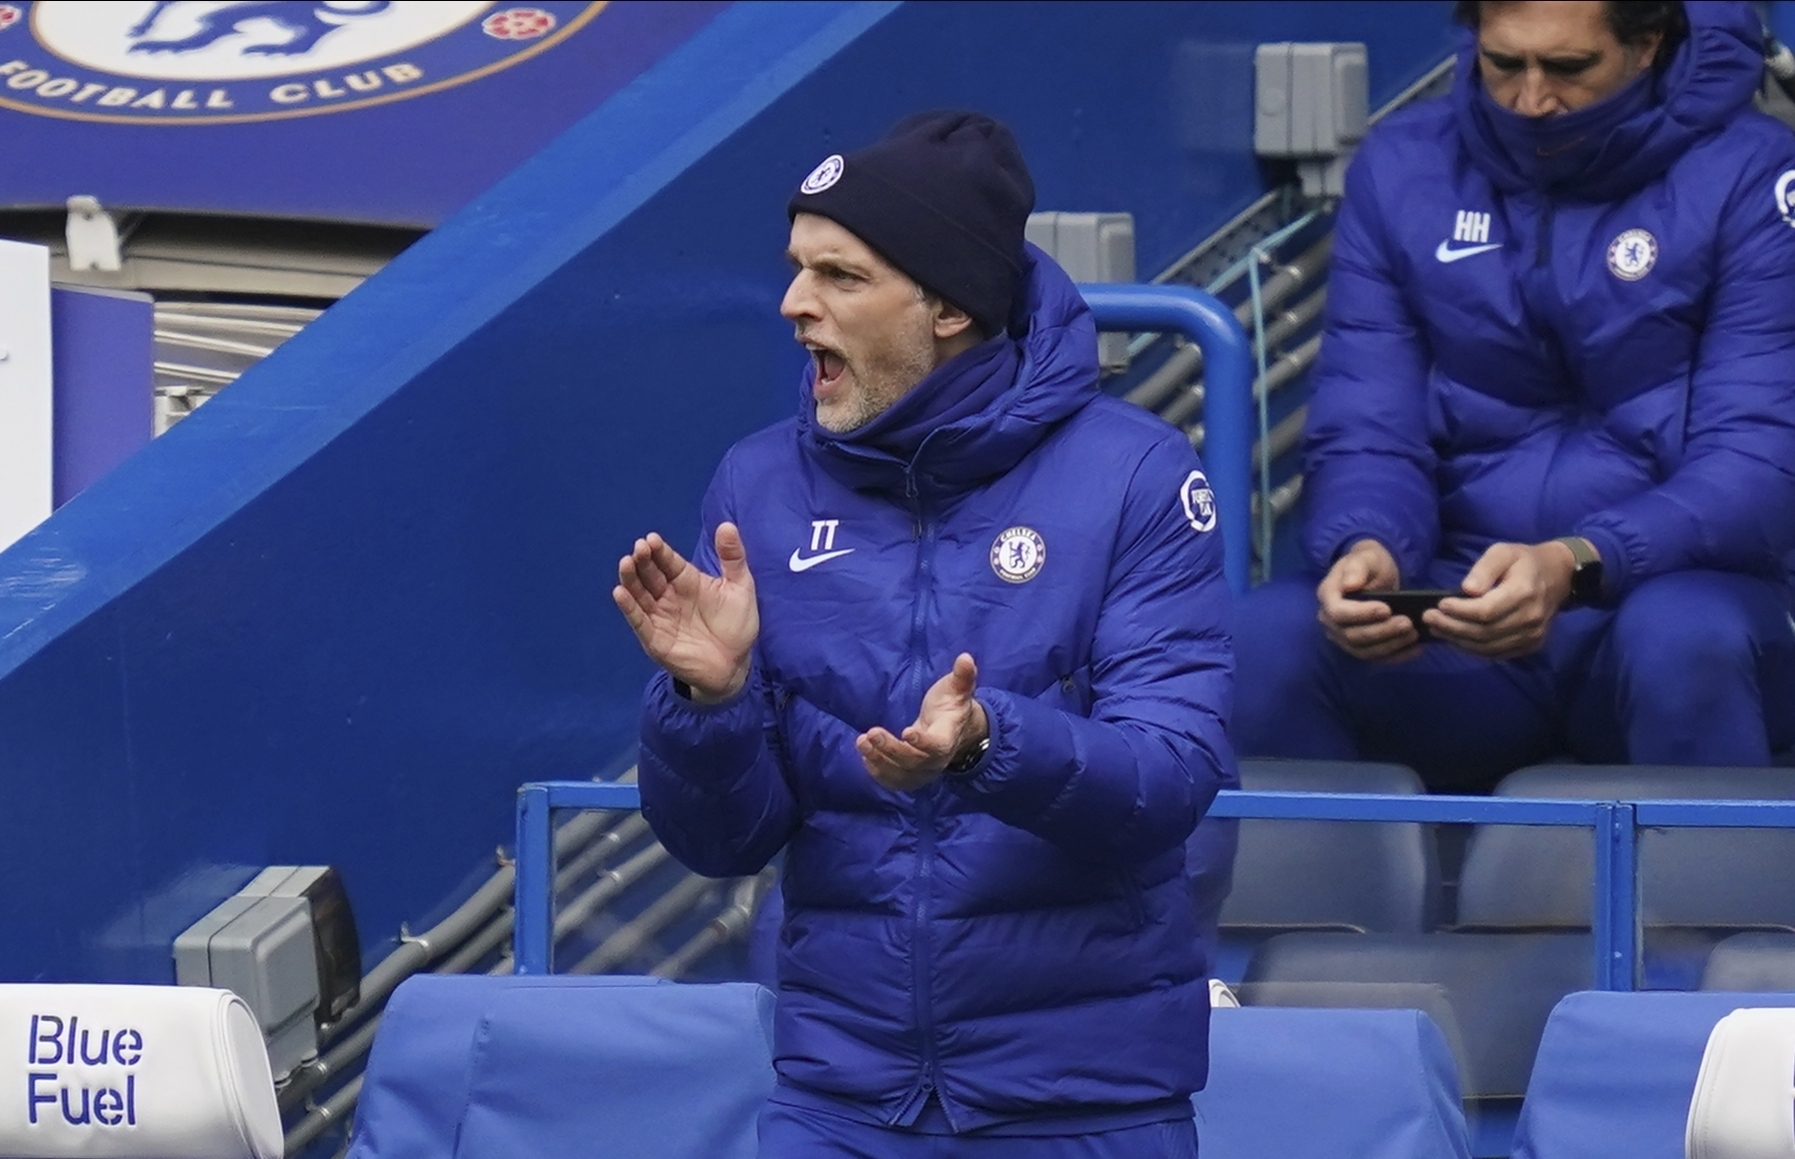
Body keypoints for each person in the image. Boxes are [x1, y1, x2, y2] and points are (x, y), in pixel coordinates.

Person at [612, 111, 1235, 1157]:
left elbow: (1171, 777)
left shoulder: (1137, 476)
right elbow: (722, 842)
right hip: (840, 1100)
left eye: (839, 276)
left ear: (946, 303)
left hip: (1082, 1103)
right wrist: (708, 705)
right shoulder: (754, 486)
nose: (792, 304)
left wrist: (992, 742)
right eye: (797, 269)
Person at [1233, 0, 1795, 791]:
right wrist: (1368, 548)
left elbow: (1755, 470)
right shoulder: (1401, 167)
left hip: (1669, 599)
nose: (1531, 99)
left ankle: (1715, 916)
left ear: (1647, 45)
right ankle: (1318, 917)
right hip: (1463, 605)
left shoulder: (1757, 173)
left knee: (1681, 635)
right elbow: (1366, 424)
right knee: (1265, 634)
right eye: (1503, 64)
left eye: (1568, 68)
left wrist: (1575, 563)